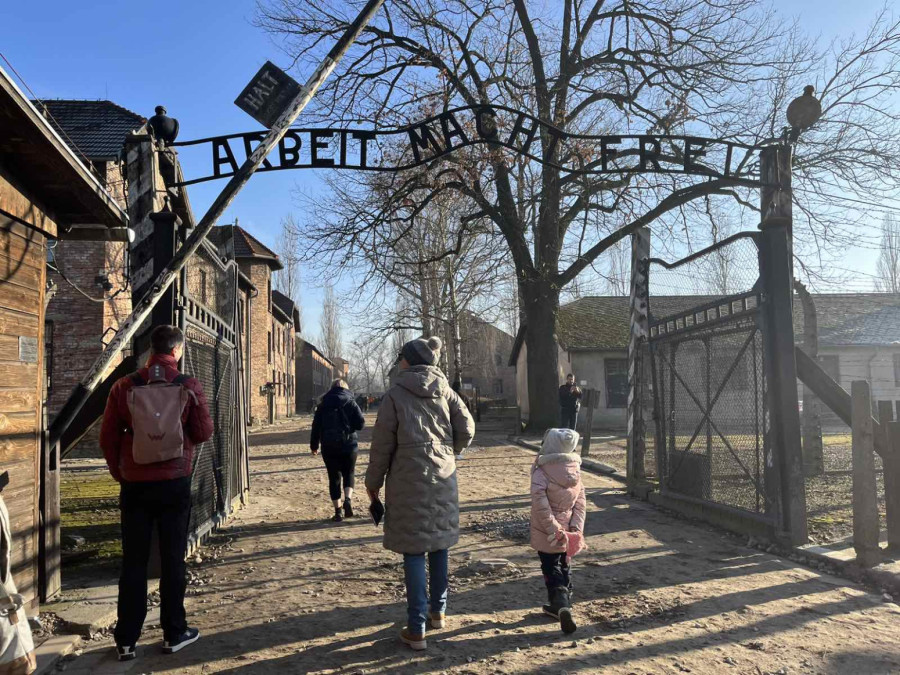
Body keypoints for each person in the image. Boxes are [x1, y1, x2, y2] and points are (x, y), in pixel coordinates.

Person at [100, 325, 213, 662]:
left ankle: (126, 640)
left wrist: (120, 471)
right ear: (176, 350)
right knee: (172, 558)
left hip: (135, 485)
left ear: (151, 350)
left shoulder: (125, 386)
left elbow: (107, 437)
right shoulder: (188, 385)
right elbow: (204, 431)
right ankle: (174, 633)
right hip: (174, 483)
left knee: (133, 560)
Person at [365, 337, 475, 651]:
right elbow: (467, 428)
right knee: (439, 544)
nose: (398, 360)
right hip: (443, 477)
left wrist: (373, 484)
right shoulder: (447, 392)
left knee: (414, 551)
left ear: (409, 361)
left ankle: (416, 628)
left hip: (406, 480)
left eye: (401, 356)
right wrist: (449, 451)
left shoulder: (395, 395)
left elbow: (382, 446)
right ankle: (437, 612)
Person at [530, 428, 586, 635]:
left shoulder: (542, 471)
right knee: (565, 563)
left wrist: (553, 529)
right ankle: (564, 602)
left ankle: (560, 602)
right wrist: (575, 529)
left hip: (547, 530)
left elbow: (540, 504)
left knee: (550, 566)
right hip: (569, 529)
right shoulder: (575, 471)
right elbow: (581, 504)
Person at [310, 379, 366, 522]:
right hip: (349, 444)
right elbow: (361, 424)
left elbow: (316, 427)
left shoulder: (322, 404)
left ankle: (338, 512)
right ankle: (348, 499)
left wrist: (314, 445)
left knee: (334, 478)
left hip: (329, 446)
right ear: (346, 388)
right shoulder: (351, 402)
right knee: (349, 473)